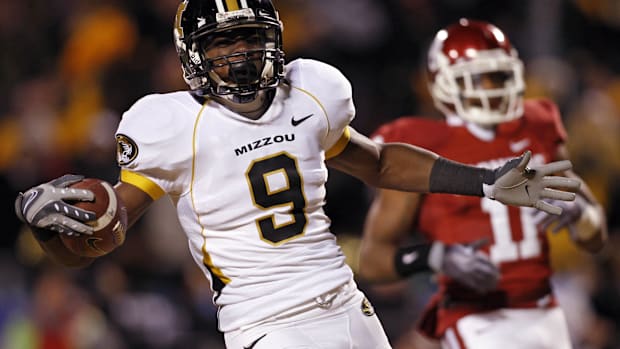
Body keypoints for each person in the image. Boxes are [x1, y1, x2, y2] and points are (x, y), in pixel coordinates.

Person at [14, 2, 580, 348]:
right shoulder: (170, 124)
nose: (238, 55)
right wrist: (53, 236)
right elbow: (103, 235)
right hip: (270, 324)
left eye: (248, 38)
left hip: (346, 300)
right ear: (193, 55)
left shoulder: (311, 90)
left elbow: (380, 163)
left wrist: (483, 180)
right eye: (222, 43)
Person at [358, 19, 607, 349]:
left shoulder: (537, 124)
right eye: (477, 78)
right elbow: (372, 261)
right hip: (474, 318)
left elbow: (595, 240)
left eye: (497, 76)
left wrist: (583, 215)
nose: (489, 89)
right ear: (440, 81)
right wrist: (434, 256)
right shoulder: (420, 147)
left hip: (545, 308)